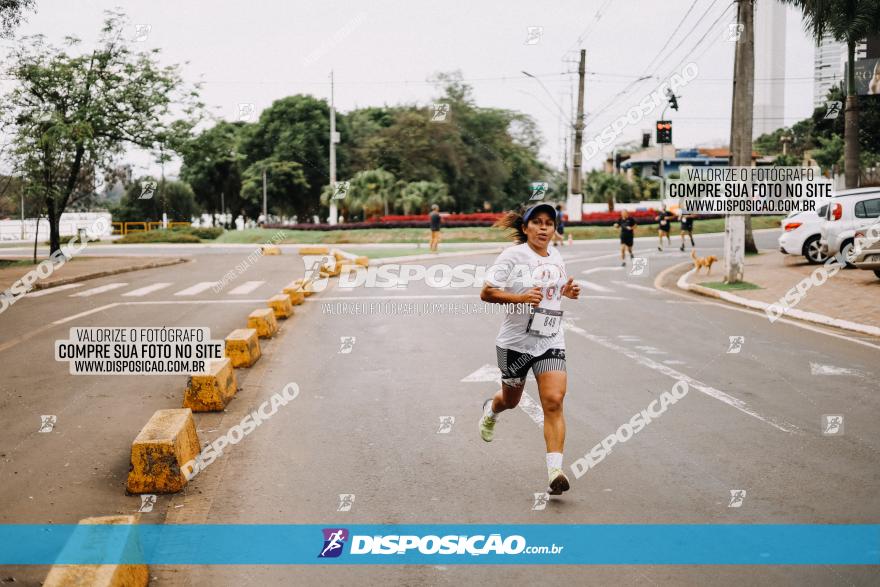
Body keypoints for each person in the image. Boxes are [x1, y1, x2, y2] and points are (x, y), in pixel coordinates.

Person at [479, 203, 581, 496]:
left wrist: (567, 292)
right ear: (525, 228)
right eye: (537, 222)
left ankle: (555, 472)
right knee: (511, 400)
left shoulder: (556, 255)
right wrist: (520, 298)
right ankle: (492, 409)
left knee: (554, 400)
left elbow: (553, 290)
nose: (544, 227)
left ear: (554, 228)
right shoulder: (512, 255)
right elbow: (486, 293)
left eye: (549, 222)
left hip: (549, 339)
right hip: (515, 343)